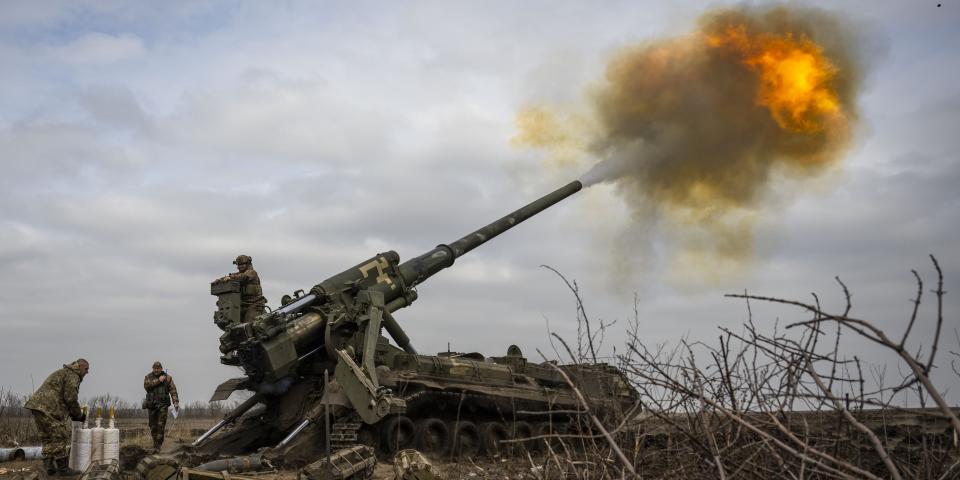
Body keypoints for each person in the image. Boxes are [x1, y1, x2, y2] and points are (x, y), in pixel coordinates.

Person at [24, 359, 89, 476]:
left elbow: (65, 397)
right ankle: (63, 469)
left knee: (47, 436)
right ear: (80, 366)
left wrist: (72, 414)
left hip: (38, 406)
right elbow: (70, 398)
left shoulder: (64, 372)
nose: (87, 372)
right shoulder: (73, 375)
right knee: (59, 434)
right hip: (49, 407)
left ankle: (49, 467)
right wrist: (78, 415)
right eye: (86, 369)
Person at [218, 254, 267, 323]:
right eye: (238, 265)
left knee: (248, 325)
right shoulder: (237, 274)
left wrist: (230, 278)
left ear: (247, 264)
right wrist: (220, 280)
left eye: (242, 264)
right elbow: (230, 277)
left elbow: (244, 277)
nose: (240, 267)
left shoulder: (252, 273)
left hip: (255, 304)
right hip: (242, 305)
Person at [142, 361, 179, 451]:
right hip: (152, 405)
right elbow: (147, 387)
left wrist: (175, 401)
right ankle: (155, 443)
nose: (156, 370)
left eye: (158, 368)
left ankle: (158, 445)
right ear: (153, 369)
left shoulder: (168, 378)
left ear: (161, 369)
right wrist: (159, 380)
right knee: (152, 426)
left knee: (161, 425)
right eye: (155, 368)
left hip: (163, 405)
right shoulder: (148, 377)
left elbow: (173, 390)